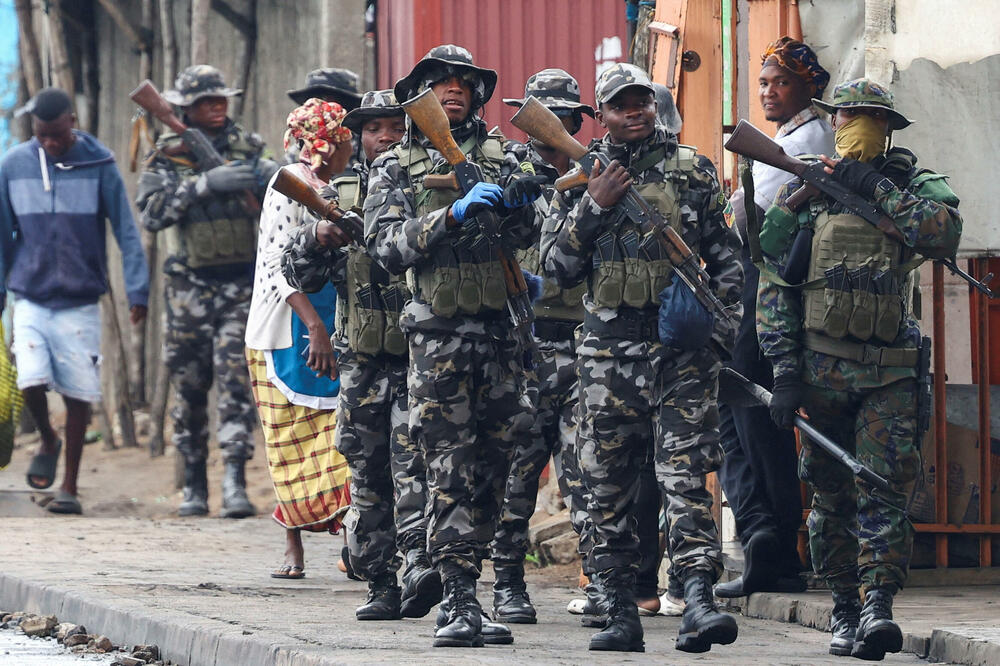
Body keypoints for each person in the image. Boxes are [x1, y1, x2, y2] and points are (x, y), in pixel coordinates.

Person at [756, 78, 961, 660]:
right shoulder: (808, 186)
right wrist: (783, 371)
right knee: (831, 497)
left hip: (889, 373)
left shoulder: (912, 183)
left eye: (872, 117)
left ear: (888, 128)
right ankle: (844, 604)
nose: (858, 126)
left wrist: (875, 187)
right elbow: (774, 276)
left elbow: (943, 231)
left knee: (885, 489)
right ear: (833, 121)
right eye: (848, 116)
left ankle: (878, 606)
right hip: (820, 373)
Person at [541, 63, 743, 653]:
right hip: (607, 356)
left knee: (685, 478)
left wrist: (717, 335)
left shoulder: (693, 171)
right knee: (607, 485)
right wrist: (593, 206)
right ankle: (619, 607)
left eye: (643, 101)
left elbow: (728, 260)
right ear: (601, 114)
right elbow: (554, 270)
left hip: (680, 355)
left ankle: (698, 597)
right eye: (620, 104)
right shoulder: (579, 177)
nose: (634, 111)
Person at [365, 44, 540, 648]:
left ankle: (471, 587)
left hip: (500, 335)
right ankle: (458, 599)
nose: (454, 89)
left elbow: (530, 232)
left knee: (493, 468)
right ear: (420, 95)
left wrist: (520, 204)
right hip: (438, 340)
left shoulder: (505, 155)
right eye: (440, 81)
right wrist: (452, 216)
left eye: (464, 81)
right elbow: (386, 248)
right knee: (447, 467)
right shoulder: (396, 165)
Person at [282, 90, 421, 621]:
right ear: (358, 138)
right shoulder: (337, 195)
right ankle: (380, 581)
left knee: (419, 473)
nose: (385, 136)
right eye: (373, 129)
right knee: (367, 477)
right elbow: (296, 273)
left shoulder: (428, 188)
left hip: (420, 360)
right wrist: (318, 237)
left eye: (395, 127)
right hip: (362, 362)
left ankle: (421, 573)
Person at [715, 36, 834, 599]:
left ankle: (774, 545)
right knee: (739, 413)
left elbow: (752, 215)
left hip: (769, 282)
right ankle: (764, 537)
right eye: (763, 82)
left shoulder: (809, 139)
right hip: (758, 278)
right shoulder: (790, 138)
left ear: (808, 88)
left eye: (781, 82)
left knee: (752, 414)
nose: (768, 92)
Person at [137, 65, 279, 519]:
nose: (217, 108)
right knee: (190, 386)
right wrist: (201, 186)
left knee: (237, 383)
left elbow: (281, 197)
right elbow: (151, 214)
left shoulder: (249, 146)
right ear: (186, 108)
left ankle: (235, 479)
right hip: (188, 288)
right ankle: (195, 483)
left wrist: (266, 176)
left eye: (221, 100)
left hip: (240, 285)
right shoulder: (168, 153)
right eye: (206, 102)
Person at [0, 87, 149, 514]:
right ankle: (48, 438)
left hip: (81, 298)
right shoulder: (13, 166)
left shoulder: (99, 163)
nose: (50, 143)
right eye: (42, 135)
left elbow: (126, 231)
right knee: (29, 378)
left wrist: (137, 289)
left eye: (58, 135)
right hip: (30, 294)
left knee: (77, 392)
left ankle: (69, 486)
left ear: (73, 123)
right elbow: (2, 235)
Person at [492, 68, 594, 625]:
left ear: (577, 121)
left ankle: (602, 582)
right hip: (524, 348)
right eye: (540, 117)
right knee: (516, 475)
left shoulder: (595, 172)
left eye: (563, 117)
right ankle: (508, 583)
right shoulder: (508, 172)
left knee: (590, 475)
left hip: (581, 347)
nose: (550, 128)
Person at [245, 97, 354, 580]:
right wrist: (314, 327)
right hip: (285, 327)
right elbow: (275, 265)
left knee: (343, 440)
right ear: (328, 145)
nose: (353, 148)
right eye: (346, 140)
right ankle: (293, 542)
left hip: (336, 318)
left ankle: (354, 543)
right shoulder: (288, 185)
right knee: (287, 442)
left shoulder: (345, 184)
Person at [285, 68, 363, 166]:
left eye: (325, 100)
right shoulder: (296, 154)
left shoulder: (366, 148)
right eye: (312, 101)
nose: (317, 108)